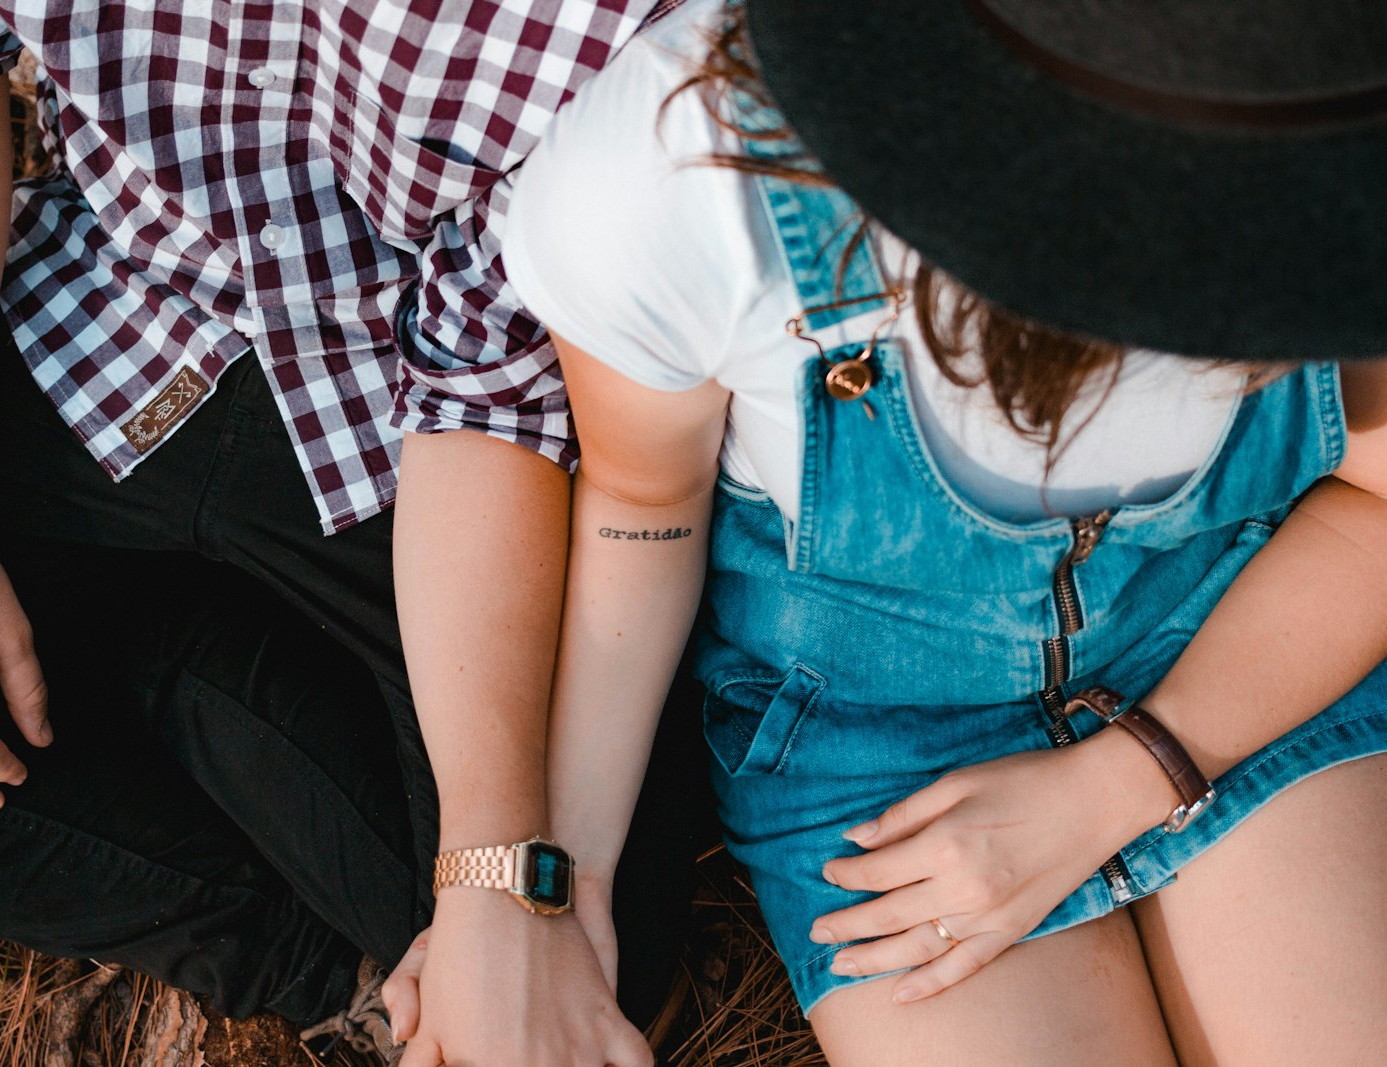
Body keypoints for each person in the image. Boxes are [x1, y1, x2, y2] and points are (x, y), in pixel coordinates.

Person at [0, 1, 705, 1062]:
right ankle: (340, 973)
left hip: (420, 435)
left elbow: (483, 398)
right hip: (109, 315)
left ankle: (151, 679)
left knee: (590, 962)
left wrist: (491, 873)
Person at [478, 0, 1387, 1062]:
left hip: (1249, 631)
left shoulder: (1344, 110)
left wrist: (1129, 775)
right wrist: (563, 885)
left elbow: (1374, 500)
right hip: (876, 746)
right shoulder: (680, 179)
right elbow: (642, 512)